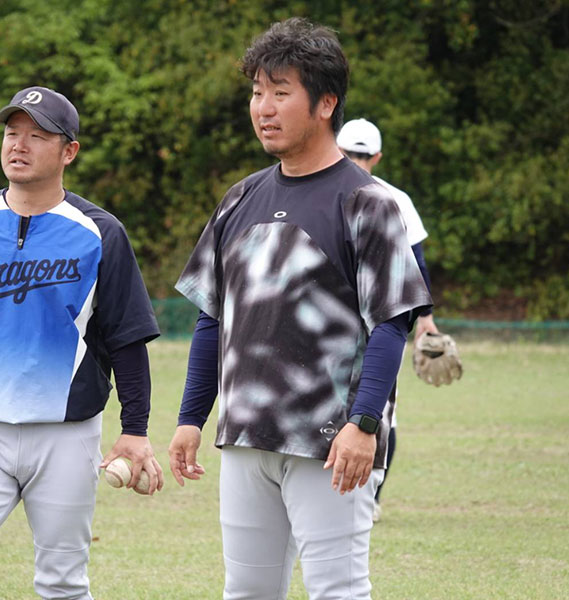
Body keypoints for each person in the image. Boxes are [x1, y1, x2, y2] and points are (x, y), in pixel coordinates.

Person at [167, 18, 432, 600]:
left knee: (338, 591)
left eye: (281, 92)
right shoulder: (239, 198)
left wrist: (364, 425)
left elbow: (391, 324)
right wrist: (191, 417)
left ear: (325, 103)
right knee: (247, 591)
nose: (263, 108)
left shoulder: (368, 203)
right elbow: (212, 318)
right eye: (257, 92)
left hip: (330, 442)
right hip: (245, 437)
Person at [0, 86, 163, 600]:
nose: (18, 144)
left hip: (67, 435)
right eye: (12, 132)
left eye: (37, 136)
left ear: (69, 151)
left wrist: (135, 428)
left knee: (62, 583)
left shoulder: (99, 232)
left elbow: (127, 339)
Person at [336, 117, 438, 522]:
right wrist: (425, 317)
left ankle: (354, 493)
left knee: (352, 406)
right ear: (377, 156)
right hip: (381, 322)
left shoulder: (327, 192)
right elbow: (417, 264)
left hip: (346, 324)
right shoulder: (396, 198)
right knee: (380, 408)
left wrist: (425, 318)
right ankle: (370, 496)